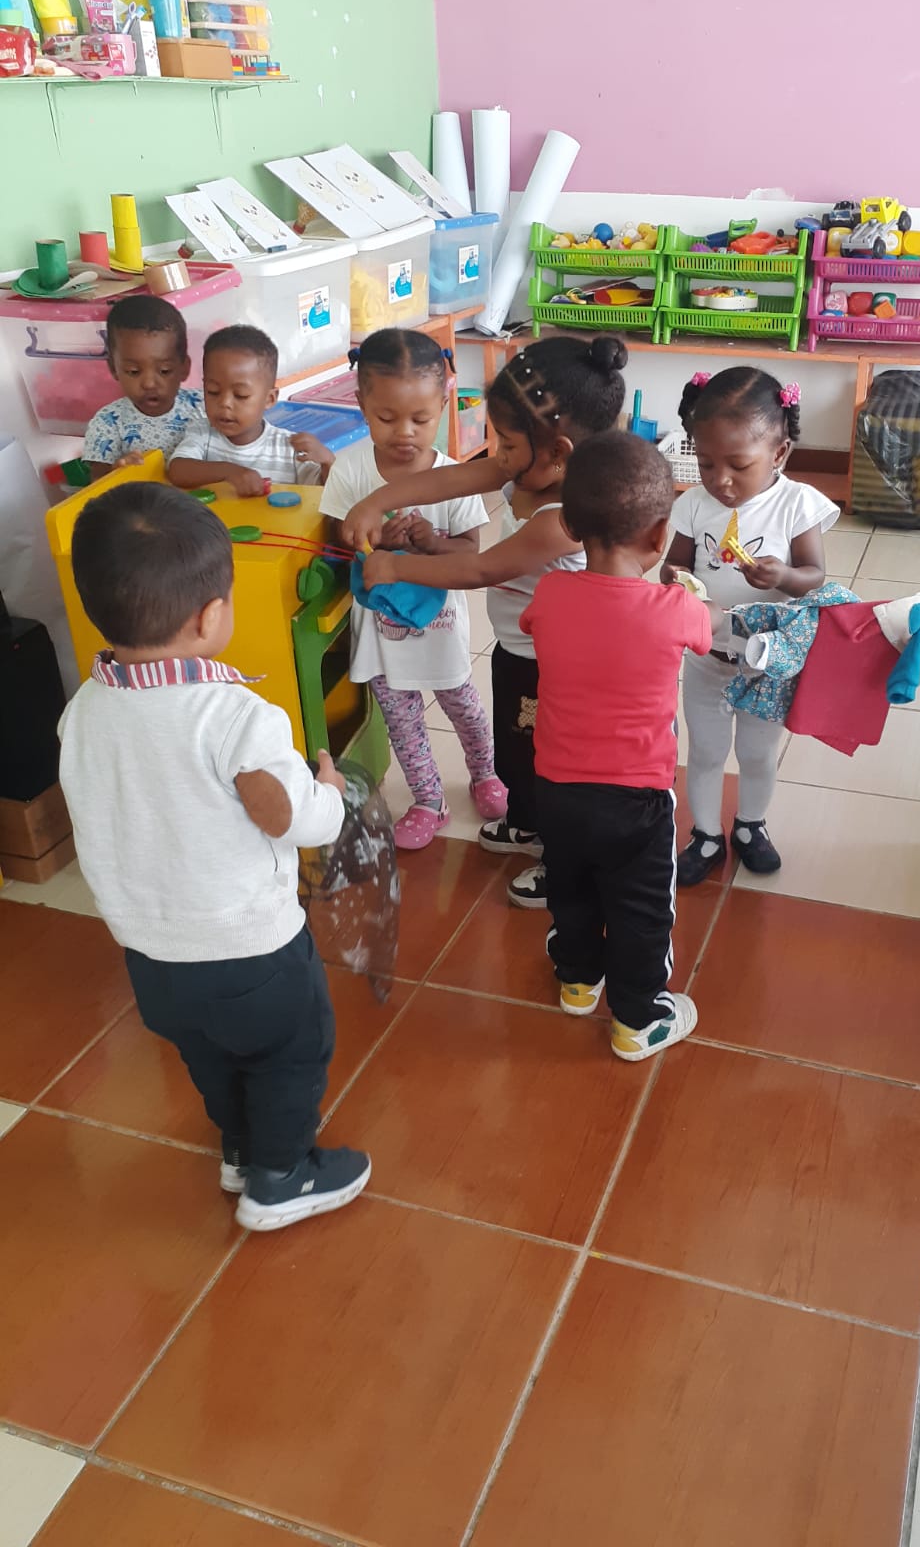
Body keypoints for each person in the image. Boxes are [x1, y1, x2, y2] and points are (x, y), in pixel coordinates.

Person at [57, 482, 370, 1233]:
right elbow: (289, 817)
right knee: (291, 1052)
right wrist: (331, 793)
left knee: (210, 1057)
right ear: (209, 617)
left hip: (151, 957)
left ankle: (239, 1148)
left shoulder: (82, 713)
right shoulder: (234, 718)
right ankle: (281, 1177)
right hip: (249, 950)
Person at [342, 335, 627, 909]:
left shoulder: (565, 517)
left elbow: (482, 568)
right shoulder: (535, 468)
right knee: (518, 746)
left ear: (558, 451)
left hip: (559, 667)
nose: (498, 455)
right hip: (520, 648)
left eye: (507, 443)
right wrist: (375, 502)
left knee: (554, 760)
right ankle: (527, 822)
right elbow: (449, 480)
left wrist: (395, 565)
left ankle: (561, 862)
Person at [522, 431, 714, 1059]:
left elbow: (536, 623)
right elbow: (705, 631)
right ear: (660, 536)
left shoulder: (550, 594)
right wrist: (691, 594)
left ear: (571, 525)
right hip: (636, 800)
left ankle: (578, 983)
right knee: (641, 911)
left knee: (572, 889)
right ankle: (638, 1020)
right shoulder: (673, 608)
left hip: (555, 789)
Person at [319, 330, 504, 849]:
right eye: (386, 418)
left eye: (420, 420)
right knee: (402, 722)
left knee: (464, 707)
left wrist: (430, 542)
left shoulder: (455, 477)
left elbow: (471, 551)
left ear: (443, 406)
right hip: (381, 633)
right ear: (361, 405)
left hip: (441, 629)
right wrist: (375, 538)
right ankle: (428, 799)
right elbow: (336, 534)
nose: (404, 433)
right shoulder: (352, 468)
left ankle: (485, 772)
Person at [662, 367, 839, 885]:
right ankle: (705, 834)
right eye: (706, 462)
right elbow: (673, 564)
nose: (721, 479)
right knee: (706, 751)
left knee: (758, 753)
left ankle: (750, 825)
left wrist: (783, 576)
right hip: (707, 657)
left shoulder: (796, 503)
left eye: (739, 465)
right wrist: (676, 581)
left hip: (767, 663)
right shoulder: (694, 504)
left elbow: (815, 576)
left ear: (779, 453)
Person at [169, 325, 334, 497]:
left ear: (269, 399)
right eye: (213, 392)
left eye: (240, 395)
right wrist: (229, 472)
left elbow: (326, 493)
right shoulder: (203, 433)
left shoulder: (288, 448)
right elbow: (177, 471)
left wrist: (328, 462)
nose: (225, 403)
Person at [82, 295, 203, 480]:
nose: (149, 383)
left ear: (184, 368)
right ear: (114, 368)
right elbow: (97, 484)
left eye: (164, 370)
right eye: (133, 371)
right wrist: (117, 472)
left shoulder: (203, 406)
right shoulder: (108, 422)